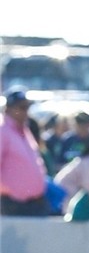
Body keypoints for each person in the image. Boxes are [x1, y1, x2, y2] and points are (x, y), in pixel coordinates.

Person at [0, 88, 51, 216]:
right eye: (21, 108)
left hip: (34, 202)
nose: (26, 112)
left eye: (27, 107)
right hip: (13, 203)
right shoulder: (3, 131)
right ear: (8, 109)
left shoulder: (23, 129)